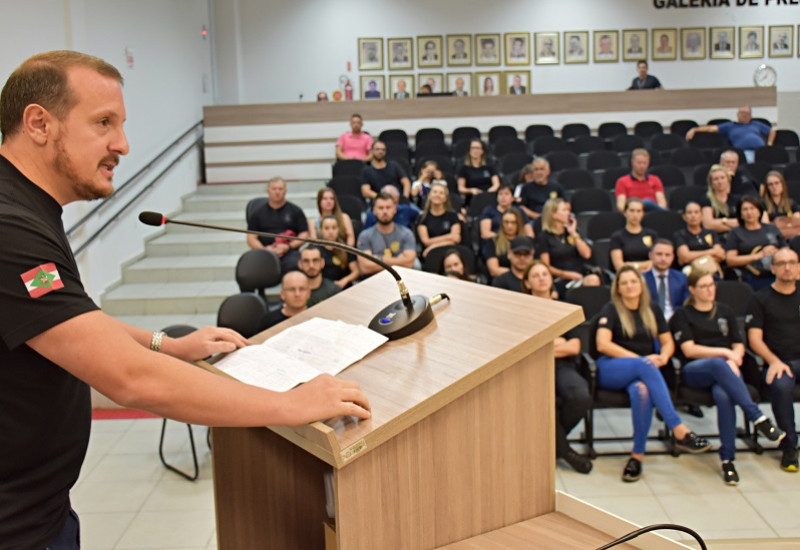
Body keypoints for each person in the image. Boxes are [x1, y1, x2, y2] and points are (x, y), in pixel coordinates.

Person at [0, 50, 370, 549]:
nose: (123, 145)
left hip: (40, 510)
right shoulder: (11, 228)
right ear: (39, 123)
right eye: (104, 123)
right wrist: (289, 404)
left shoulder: (27, 209)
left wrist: (166, 344)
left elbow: (74, 320)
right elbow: (128, 379)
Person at [595, 266, 711, 482]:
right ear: (618, 289)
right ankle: (679, 429)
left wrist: (664, 357)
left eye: (633, 281)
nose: (629, 286)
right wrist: (640, 360)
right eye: (624, 283)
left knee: (642, 392)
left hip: (641, 373)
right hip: (612, 368)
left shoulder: (652, 309)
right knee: (646, 366)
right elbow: (602, 344)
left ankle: (636, 457)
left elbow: (667, 342)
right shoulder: (611, 309)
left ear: (641, 285)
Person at [670, 269, 785, 485]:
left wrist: (735, 358)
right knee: (717, 364)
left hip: (726, 370)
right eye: (703, 286)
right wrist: (725, 355)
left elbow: (738, 344)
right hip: (695, 370)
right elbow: (689, 350)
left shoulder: (725, 311)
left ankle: (727, 459)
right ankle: (757, 417)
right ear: (692, 290)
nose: (710, 290)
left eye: (712, 285)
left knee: (724, 396)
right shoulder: (682, 315)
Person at [523, 261, 593, 473]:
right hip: (530, 368)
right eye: (536, 275)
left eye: (545, 273)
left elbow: (574, 346)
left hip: (562, 366)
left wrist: (543, 346)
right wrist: (556, 342)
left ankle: (551, 445)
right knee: (542, 402)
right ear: (527, 283)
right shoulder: (521, 311)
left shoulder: (564, 309)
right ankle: (566, 452)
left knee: (580, 396)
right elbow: (523, 349)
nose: (542, 278)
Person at [746, 247, 800, 472]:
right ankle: (789, 446)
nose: (787, 267)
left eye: (792, 262)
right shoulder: (760, 298)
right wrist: (774, 361)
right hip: (780, 361)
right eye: (782, 263)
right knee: (781, 387)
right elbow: (754, 339)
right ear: (773, 268)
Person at [537, 198, 601, 296]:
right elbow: (546, 266)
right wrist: (566, 274)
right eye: (564, 210)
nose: (568, 213)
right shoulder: (544, 237)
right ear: (553, 214)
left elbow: (587, 254)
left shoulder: (572, 232)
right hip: (561, 278)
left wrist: (573, 233)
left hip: (580, 274)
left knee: (594, 280)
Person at [246, 177, 310, 274]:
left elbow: (304, 234)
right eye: (274, 189)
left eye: (280, 189)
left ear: (285, 191)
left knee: (296, 266)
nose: (277, 192)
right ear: (268, 191)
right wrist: (265, 250)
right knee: (247, 271)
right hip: (264, 252)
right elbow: (251, 238)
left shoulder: (296, 211)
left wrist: (288, 247)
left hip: (289, 252)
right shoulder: (257, 213)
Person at [725, 196, 786, 291]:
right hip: (752, 275)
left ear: (759, 211)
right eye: (745, 209)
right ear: (740, 214)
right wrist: (758, 255)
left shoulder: (772, 229)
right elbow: (730, 260)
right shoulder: (735, 233)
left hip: (776, 272)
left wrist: (775, 252)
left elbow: (786, 250)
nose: (749, 212)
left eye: (752, 208)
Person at [356, 192, 417, 277]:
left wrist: (379, 258)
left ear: (395, 209)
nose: (385, 211)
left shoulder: (407, 233)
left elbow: (409, 264)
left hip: (402, 280)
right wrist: (398, 260)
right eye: (381, 208)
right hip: (374, 281)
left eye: (388, 207)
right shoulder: (365, 236)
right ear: (374, 211)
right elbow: (365, 267)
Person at [687, 106, 775, 163]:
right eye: (742, 113)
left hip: (762, 151)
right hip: (745, 152)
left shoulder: (756, 124)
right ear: (737, 115)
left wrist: (770, 144)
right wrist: (695, 129)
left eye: (747, 114)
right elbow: (711, 128)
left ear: (751, 116)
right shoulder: (730, 126)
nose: (744, 115)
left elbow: (772, 131)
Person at [642, 239, 689, 321]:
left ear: (673, 257)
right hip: (650, 321)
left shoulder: (682, 278)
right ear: (650, 255)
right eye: (659, 254)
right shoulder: (642, 279)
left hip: (676, 321)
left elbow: (686, 305)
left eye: (667, 255)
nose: (663, 258)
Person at [673, 201, 726, 270]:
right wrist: (711, 252)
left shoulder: (711, 233)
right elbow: (685, 257)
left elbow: (720, 255)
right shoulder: (680, 235)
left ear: (701, 216)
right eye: (689, 212)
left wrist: (694, 257)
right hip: (691, 271)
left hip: (711, 268)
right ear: (684, 217)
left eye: (696, 212)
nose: (693, 215)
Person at [610, 198, 658, 272]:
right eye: (632, 211)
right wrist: (644, 266)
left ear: (643, 213)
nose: (635, 215)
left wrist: (632, 265)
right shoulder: (617, 237)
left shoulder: (651, 234)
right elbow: (618, 265)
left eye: (639, 211)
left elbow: (656, 261)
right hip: (626, 275)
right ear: (625, 212)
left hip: (649, 274)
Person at [416, 182, 462, 259]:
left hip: (450, 252)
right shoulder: (422, 218)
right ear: (429, 196)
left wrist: (433, 246)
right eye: (435, 192)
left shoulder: (453, 216)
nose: (437, 195)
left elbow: (456, 238)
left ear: (445, 198)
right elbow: (426, 242)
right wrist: (450, 237)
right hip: (431, 254)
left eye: (441, 193)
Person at [482, 208, 527, 279]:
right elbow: (494, 270)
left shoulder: (527, 242)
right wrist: (517, 273)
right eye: (506, 222)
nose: (509, 226)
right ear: (501, 223)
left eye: (513, 222)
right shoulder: (492, 241)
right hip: (501, 280)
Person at [318, 215, 359, 289]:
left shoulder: (345, 248)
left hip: (344, 288)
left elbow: (356, 272)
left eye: (334, 228)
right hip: (324, 289)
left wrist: (344, 281)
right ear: (321, 230)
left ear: (338, 229)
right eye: (326, 228)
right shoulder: (315, 250)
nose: (330, 231)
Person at [700, 164, 740, 239]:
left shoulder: (736, 199)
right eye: (716, 179)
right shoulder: (706, 199)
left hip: (736, 237)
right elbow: (708, 225)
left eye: (722, 178)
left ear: (728, 180)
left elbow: (742, 222)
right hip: (715, 238)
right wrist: (731, 224)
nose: (720, 181)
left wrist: (720, 222)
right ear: (711, 183)